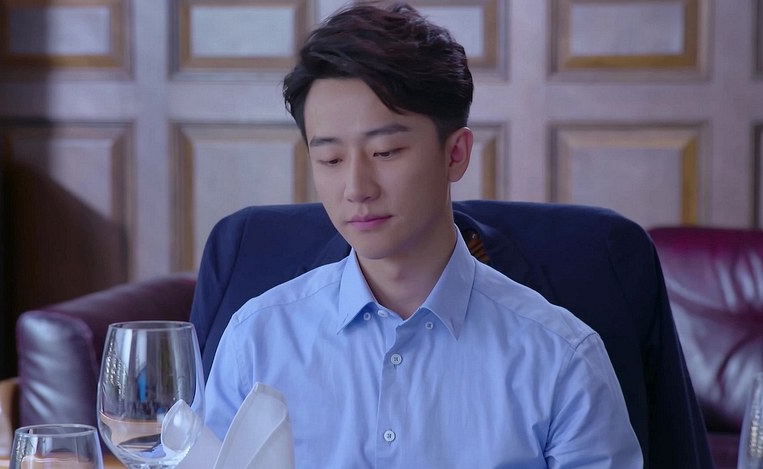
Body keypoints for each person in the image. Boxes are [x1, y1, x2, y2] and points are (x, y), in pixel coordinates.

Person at [203, 3, 642, 467]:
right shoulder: (256, 342)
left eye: (386, 152)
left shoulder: (561, 358)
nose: (356, 188)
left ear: (455, 154)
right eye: (330, 159)